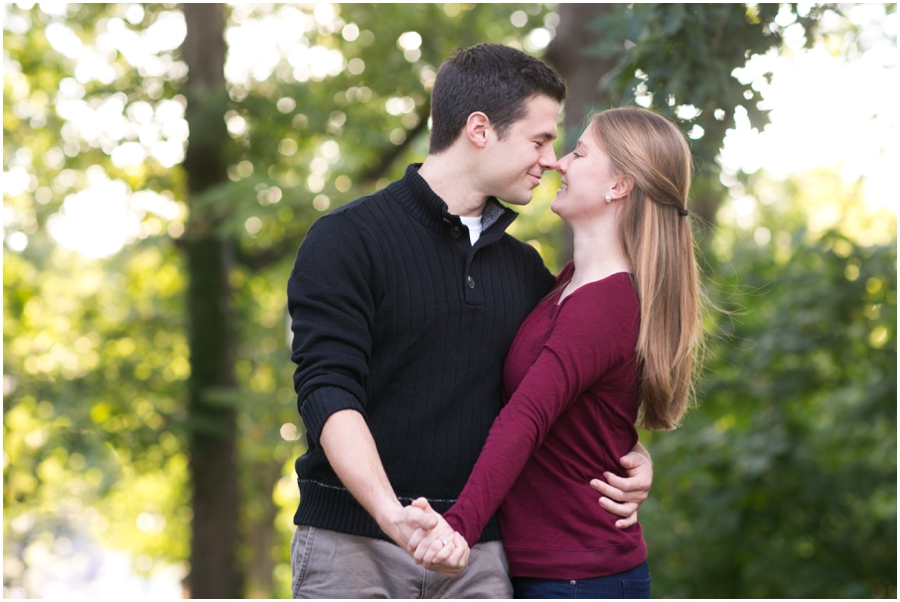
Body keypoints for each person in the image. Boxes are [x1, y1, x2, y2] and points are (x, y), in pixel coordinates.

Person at [286, 45, 654, 599]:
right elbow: (326, 390)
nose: (551, 159)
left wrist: (632, 456)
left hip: (479, 559)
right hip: (354, 549)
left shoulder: (527, 271)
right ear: (480, 129)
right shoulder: (346, 239)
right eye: (539, 139)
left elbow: (563, 391)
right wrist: (392, 516)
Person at [404, 107, 705, 599]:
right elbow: (585, 415)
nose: (560, 163)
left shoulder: (604, 304)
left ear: (620, 186)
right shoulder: (566, 284)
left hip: (580, 578)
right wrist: (631, 451)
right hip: (551, 570)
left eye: (580, 152)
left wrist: (458, 527)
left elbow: (527, 414)